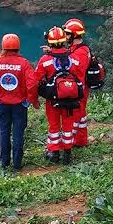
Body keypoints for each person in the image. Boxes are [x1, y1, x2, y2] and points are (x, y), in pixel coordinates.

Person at [0, 34, 39, 171]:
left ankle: (4, 163)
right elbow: (32, 84)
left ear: (3, 47)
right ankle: (17, 164)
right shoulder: (24, 63)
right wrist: (29, 100)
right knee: (18, 133)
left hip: (2, 105)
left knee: (4, 132)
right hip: (19, 106)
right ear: (18, 47)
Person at [36, 26, 84, 165]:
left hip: (53, 99)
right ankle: (67, 154)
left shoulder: (45, 60)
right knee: (68, 126)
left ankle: (54, 153)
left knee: (54, 126)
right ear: (64, 40)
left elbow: (36, 79)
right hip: (71, 99)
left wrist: (35, 97)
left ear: (50, 42)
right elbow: (80, 77)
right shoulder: (73, 58)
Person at [63, 18, 91, 147]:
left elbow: (76, 70)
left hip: (79, 88)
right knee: (81, 115)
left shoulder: (80, 52)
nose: (65, 36)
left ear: (74, 35)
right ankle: (81, 140)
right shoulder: (78, 49)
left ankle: (73, 140)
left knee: (76, 115)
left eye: (67, 33)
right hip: (81, 87)